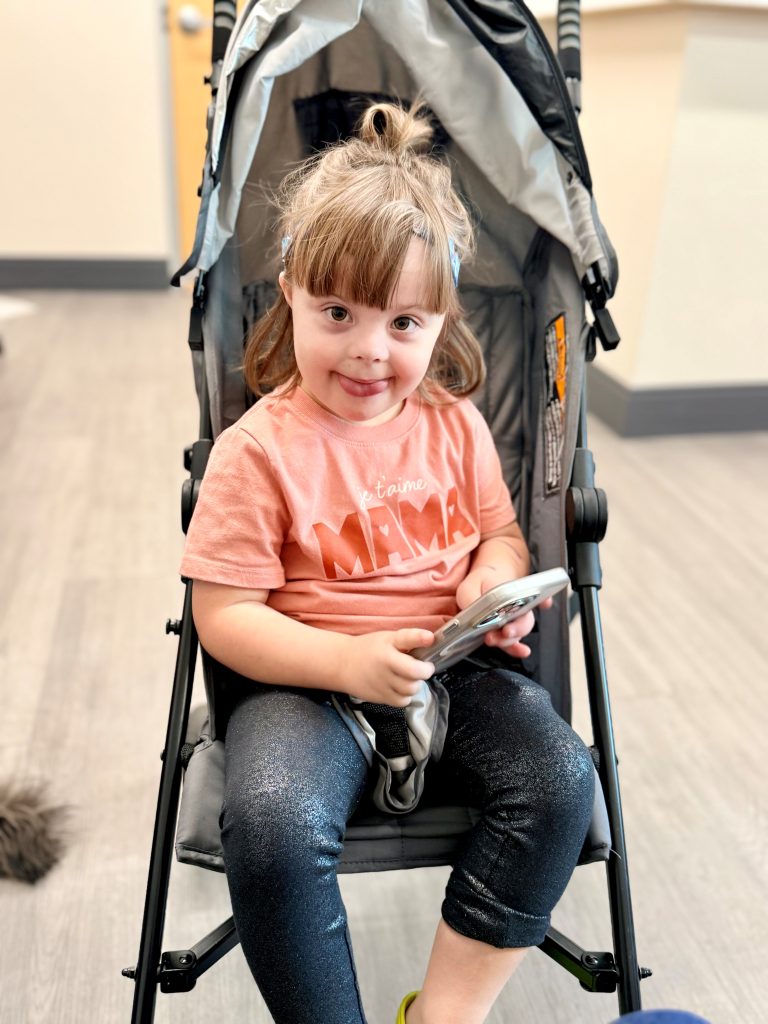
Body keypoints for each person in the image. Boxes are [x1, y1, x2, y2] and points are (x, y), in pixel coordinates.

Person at [181, 102, 595, 1024]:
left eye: (405, 322)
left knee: (561, 781)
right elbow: (224, 615)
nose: (371, 349)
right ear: (291, 293)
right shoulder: (258, 451)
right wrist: (345, 663)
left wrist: (491, 581)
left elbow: (500, 534)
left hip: (453, 666)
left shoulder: (456, 426)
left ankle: (443, 1013)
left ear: (440, 320)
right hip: (304, 682)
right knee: (274, 830)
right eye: (338, 313)